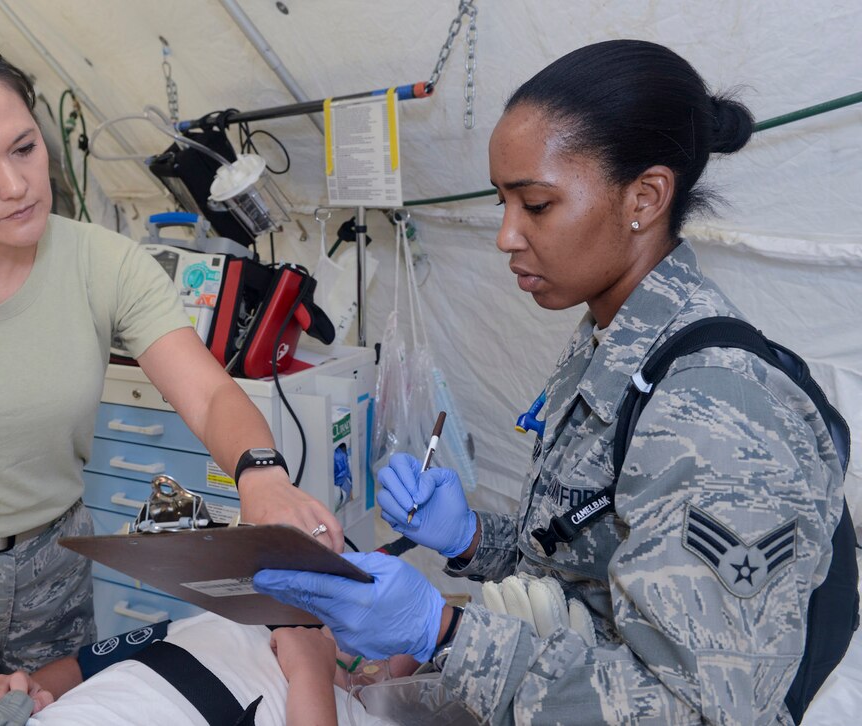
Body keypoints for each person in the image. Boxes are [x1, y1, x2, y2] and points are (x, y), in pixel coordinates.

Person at [253, 39, 846, 724]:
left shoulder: (713, 410)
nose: (506, 235)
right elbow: (584, 572)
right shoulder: (614, 341)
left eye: (534, 205)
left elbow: (695, 713)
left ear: (645, 198)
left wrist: (444, 634)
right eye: (503, 201)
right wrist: (474, 540)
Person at [0, 27, 342, 725]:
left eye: (24, 147)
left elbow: (207, 391)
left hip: (54, 573)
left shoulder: (105, 264)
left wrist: (262, 475)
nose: (16, 185)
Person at [0, 614, 412, 726]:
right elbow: (79, 667)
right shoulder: (218, 620)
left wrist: (311, 673)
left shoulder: (358, 713)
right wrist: (34, 688)